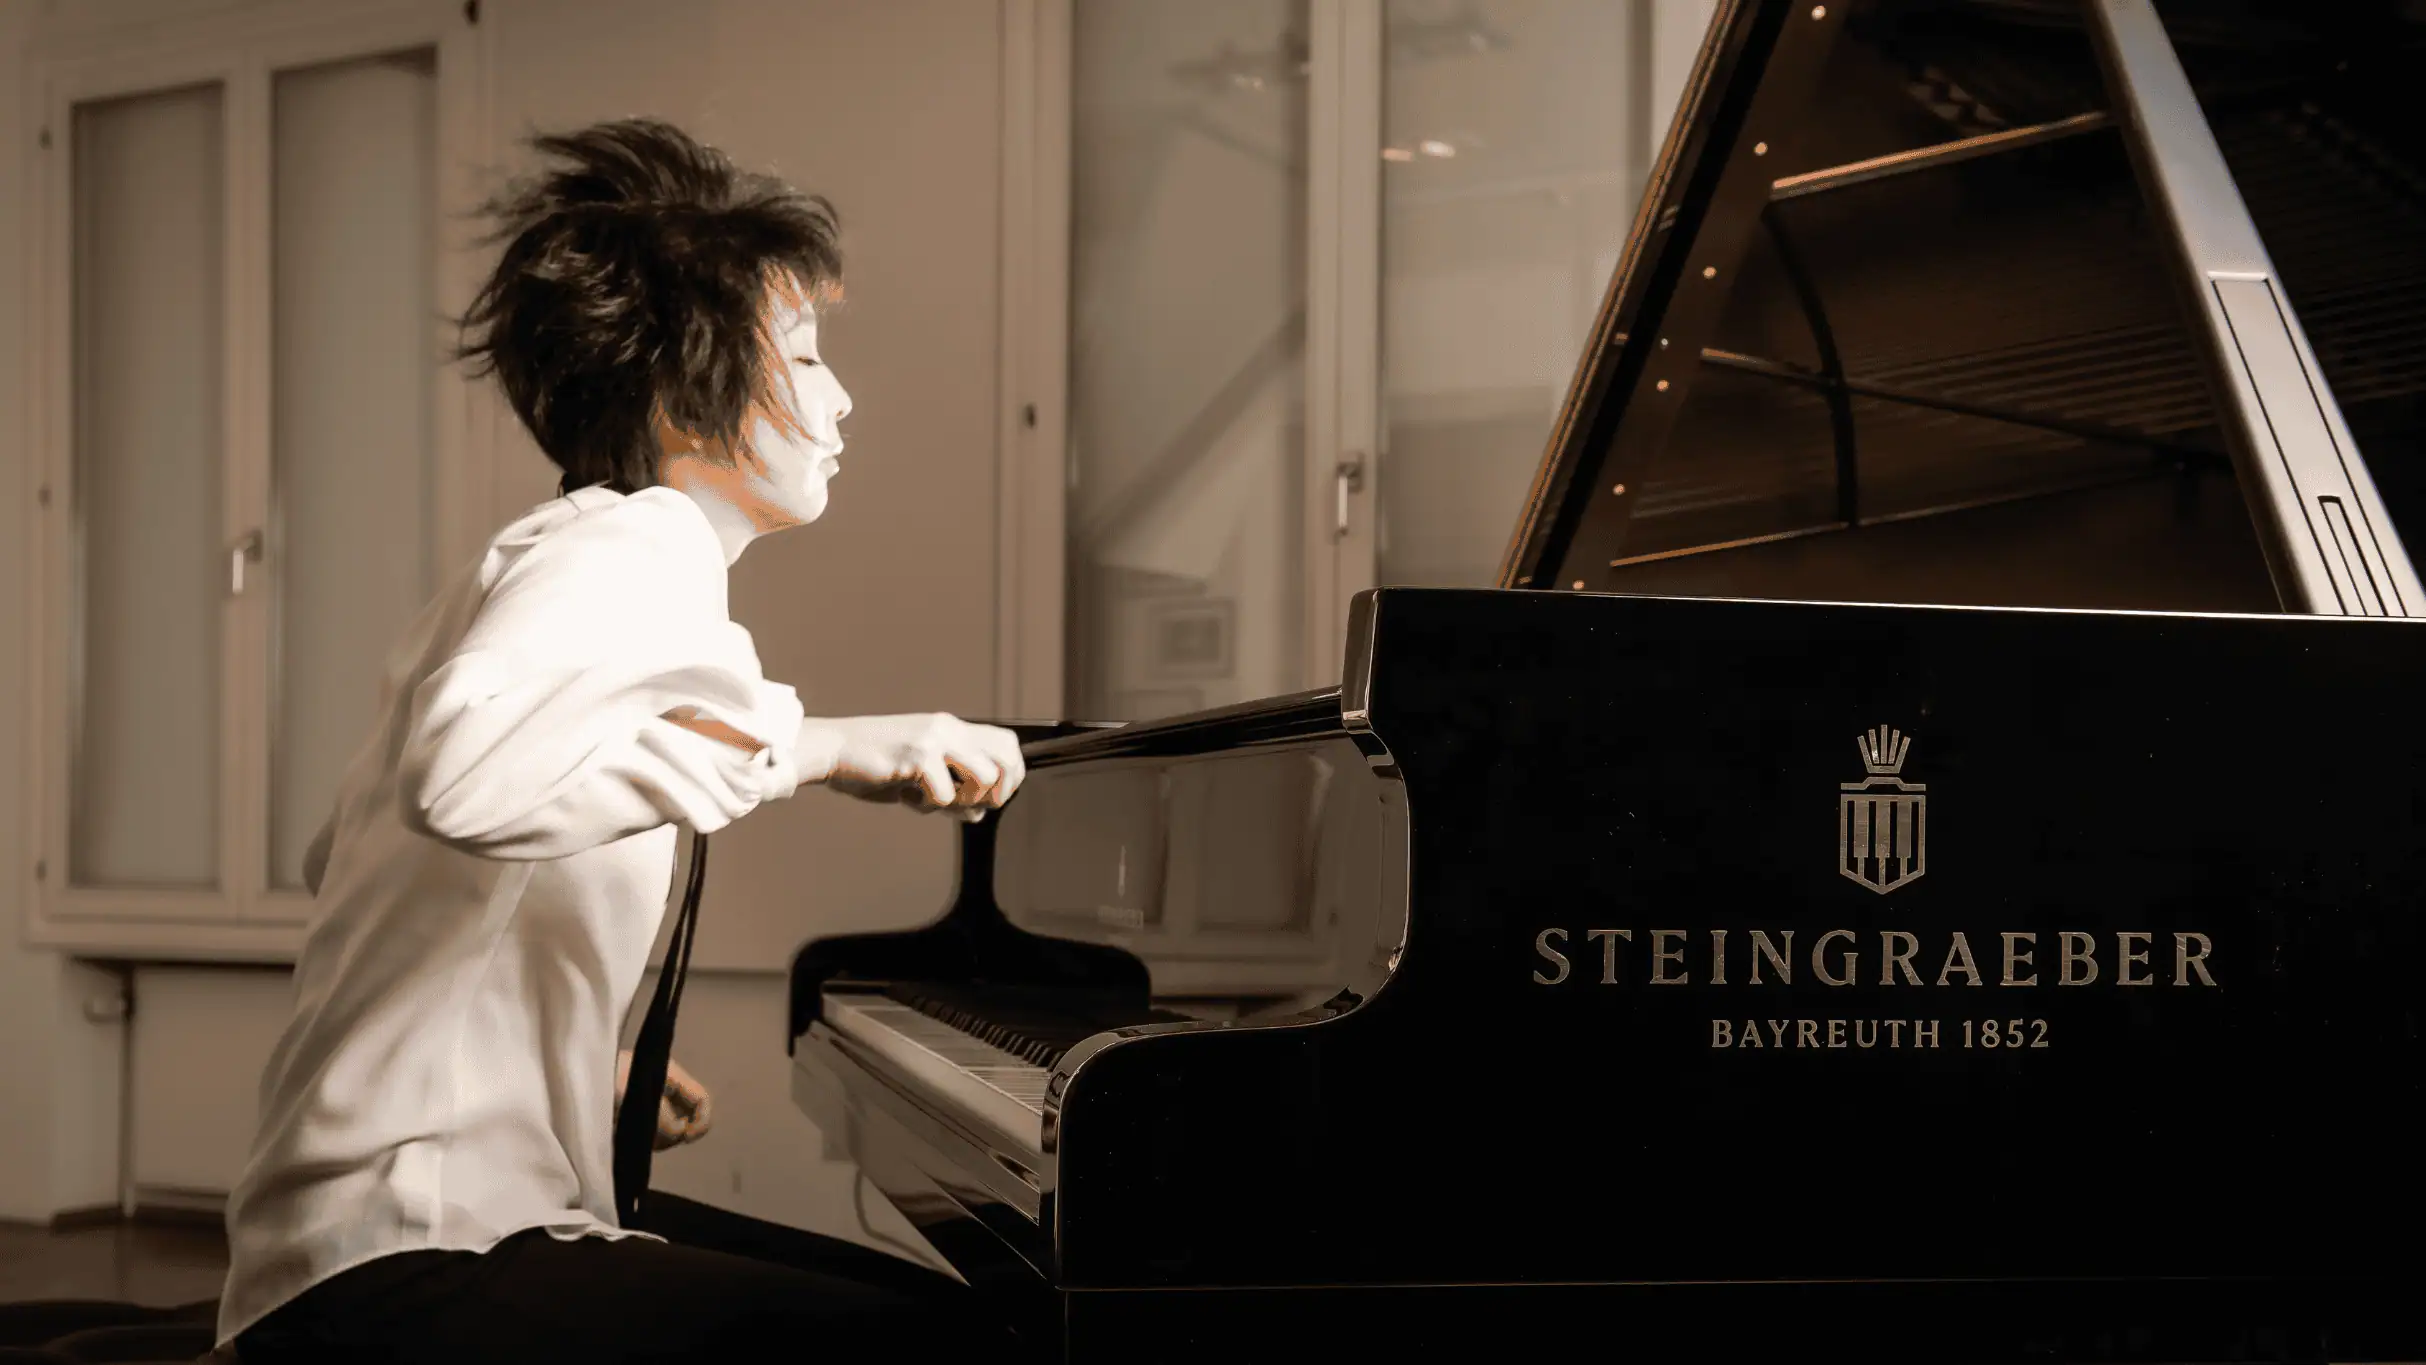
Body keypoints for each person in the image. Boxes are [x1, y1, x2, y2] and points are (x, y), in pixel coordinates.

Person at [215, 118, 1029, 1363]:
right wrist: (823, 746)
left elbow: (352, 855)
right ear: (683, 394)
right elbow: (460, 778)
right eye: (805, 358)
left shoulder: (549, 559)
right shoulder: (629, 544)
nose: (839, 397)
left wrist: (559, 1050)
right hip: (406, 1259)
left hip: (376, 1243)